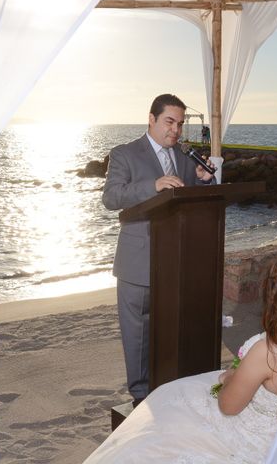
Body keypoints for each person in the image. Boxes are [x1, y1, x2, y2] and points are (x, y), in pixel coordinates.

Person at [83, 248, 277, 463]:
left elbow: (228, 407)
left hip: (259, 444)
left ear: (276, 296)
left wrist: (231, 377)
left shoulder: (269, 351)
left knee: (166, 411)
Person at [102, 94, 215, 406]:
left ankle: (168, 391)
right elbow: (111, 198)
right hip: (137, 263)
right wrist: (153, 185)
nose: (176, 130)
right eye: (169, 122)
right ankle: (140, 397)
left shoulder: (183, 157)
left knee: (171, 332)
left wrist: (204, 181)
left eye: (180, 124)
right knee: (137, 336)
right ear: (151, 119)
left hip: (176, 263)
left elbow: (191, 200)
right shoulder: (125, 153)